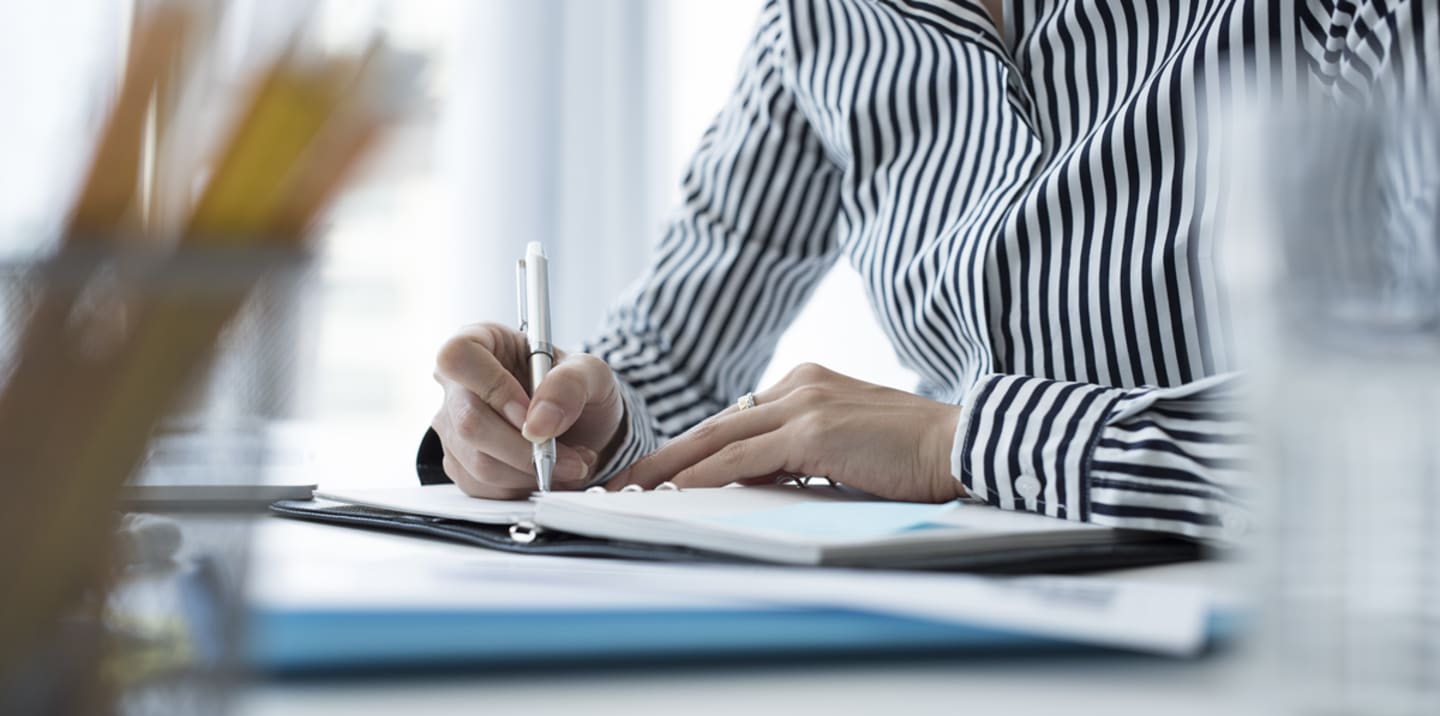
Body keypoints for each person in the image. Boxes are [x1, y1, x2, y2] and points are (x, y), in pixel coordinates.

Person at [420, 0, 1436, 541]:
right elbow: (676, 358)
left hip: (1302, 649)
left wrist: (972, 438)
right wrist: (577, 417)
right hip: (952, 643)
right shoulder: (822, 25)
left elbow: (1411, 422)